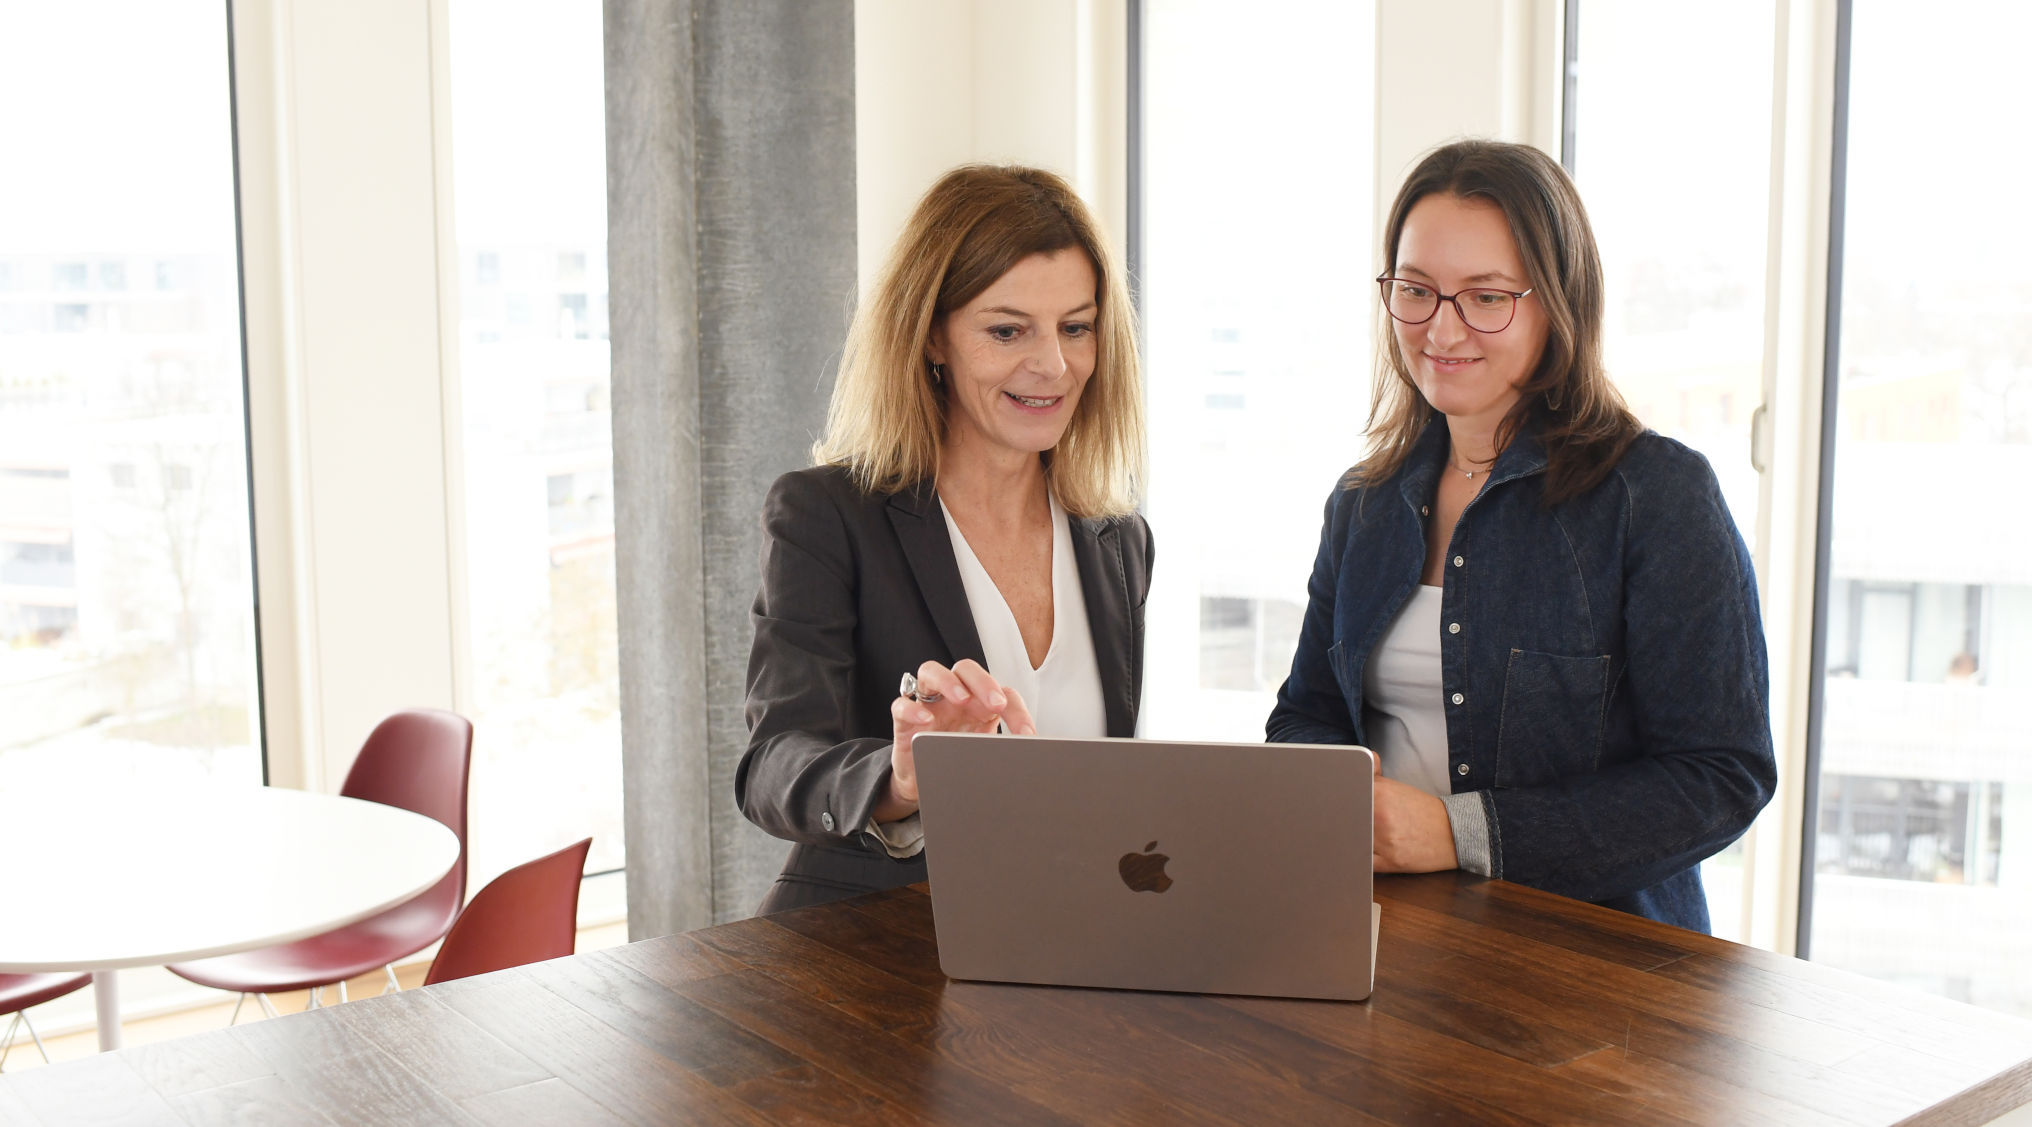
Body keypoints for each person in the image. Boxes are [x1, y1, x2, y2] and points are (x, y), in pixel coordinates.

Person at [1266, 140, 1775, 932]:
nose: (1442, 327)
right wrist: (1340, 790)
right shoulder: (1364, 503)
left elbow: (1720, 777)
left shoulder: (1659, 497)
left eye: (1487, 296)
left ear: (1557, 302)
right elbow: (1306, 713)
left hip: (1596, 975)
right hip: (1384, 939)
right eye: (1417, 290)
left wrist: (1457, 832)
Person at [737, 165, 1151, 914]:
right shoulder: (826, 515)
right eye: (1006, 329)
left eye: (1076, 327)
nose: (1054, 364)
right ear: (933, 334)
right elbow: (771, 765)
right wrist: (901, 779)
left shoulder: (1118, 540)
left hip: (1063, 942)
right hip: (872, 957)